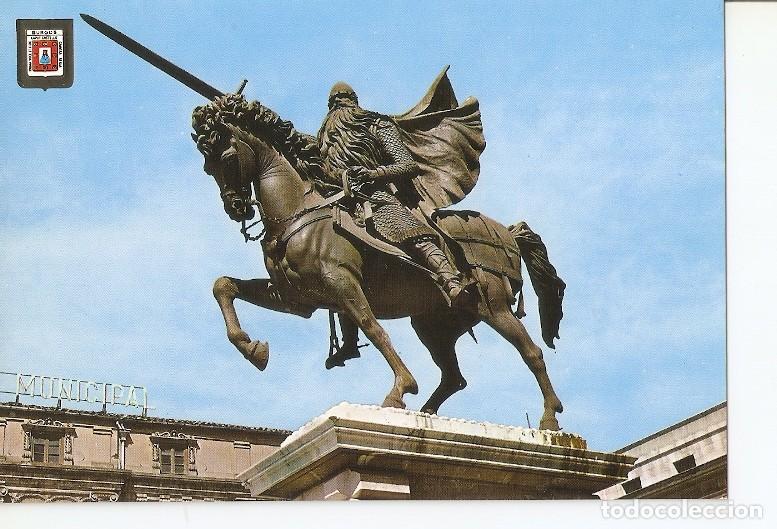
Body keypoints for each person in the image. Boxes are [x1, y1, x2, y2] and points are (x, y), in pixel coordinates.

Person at [318, 81, 474, 368]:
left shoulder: (377, 125)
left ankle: (450, 278)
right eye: (333, 102)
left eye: (342, 100)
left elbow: (407, 166)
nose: (338, 106)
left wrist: (372, 173)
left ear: (353, 102)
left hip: (378, 196)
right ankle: (350, 342)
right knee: (331, 257)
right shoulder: (325, 139)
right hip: (339, 201)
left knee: (405, 229)